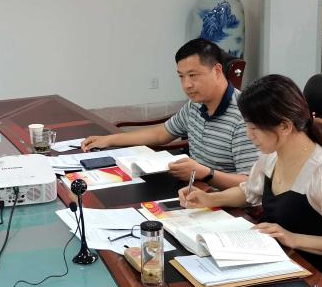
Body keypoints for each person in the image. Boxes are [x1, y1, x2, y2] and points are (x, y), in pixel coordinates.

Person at [179, 74, 322, 287]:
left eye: (254, 128)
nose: (249, 135)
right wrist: (210, 198)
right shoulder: (271, 155)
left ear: (285, 126)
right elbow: (250, 192)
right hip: (287, 265)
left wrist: (294, 239)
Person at [80, 39, 258, 188]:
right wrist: (109, 140)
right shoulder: (195, 105)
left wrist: (206, 174)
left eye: (193, 75)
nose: (186, 85)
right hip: (193, 190)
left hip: (226, 205)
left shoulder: (244, 118)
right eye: (181, 76)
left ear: (217, 71)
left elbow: (250, 185)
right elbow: (161, 133)